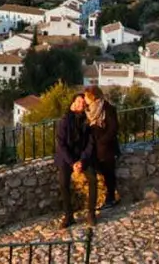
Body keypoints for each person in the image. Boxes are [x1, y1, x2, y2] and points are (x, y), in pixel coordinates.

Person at [55, 93, 96, 228]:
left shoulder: (87, 120)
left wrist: (82, 161)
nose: (81, 104)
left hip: (82, 158)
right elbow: (61, 144)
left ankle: (91, 213)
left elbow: (90, 143)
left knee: (92, 178)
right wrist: (73, 163)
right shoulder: (64, 120)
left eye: (83, 103)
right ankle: (69, 215)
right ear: (73, 102)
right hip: (67, 159)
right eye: (79, 101)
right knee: (63, 182)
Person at [84, 85, 120, 210]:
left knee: (109, 173)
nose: (84, 99)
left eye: (86, 96)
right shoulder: (89, 111)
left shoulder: (107, 109)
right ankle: (107, 198)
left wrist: (102, 141)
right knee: (101, 173)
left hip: (106, 148)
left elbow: (113, 129)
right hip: (95, 149)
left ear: (92, 97)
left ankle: (111, 198)